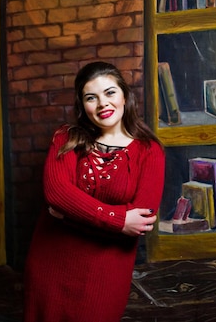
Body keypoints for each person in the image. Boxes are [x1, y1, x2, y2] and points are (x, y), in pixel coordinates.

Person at [23, 61, 165, 322]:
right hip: (51, 263)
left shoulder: (149, 151)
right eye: (91, 97)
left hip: (106, 270)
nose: (103, 104)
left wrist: (68, 215)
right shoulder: (66, 138)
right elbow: (56, 194)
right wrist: (120, 220)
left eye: (110, 92)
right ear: (82, 104)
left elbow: (141, 221)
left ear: (124, 95)